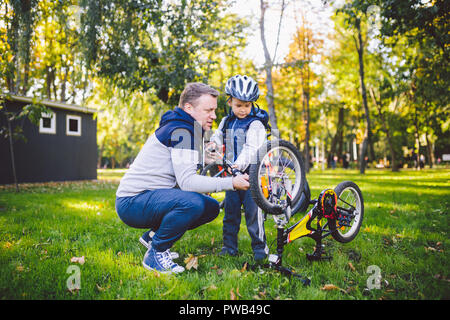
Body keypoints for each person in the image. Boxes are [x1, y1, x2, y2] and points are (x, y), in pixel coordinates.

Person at [115, 82, 250, 274]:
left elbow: (178, 166)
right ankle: (157, 252)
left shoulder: (185, 128)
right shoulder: (183, 130)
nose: (213, 115)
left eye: (214, 110)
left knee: (210, 207)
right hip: (132, 201)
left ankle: (153, 236)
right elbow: (187, 182)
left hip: (147, 197)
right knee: (193, 203)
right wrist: (231, 183)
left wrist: (203, 158)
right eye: (208, 110)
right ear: (189, 108)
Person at [207, 75, 269, 261]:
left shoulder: (255, 124)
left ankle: (260, 250)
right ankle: (229, 246)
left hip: (252, 178)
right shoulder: (227, 121)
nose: (242, 110)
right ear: (230, 102)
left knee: (253, 215)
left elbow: (251, 149)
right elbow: (218, 136)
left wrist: (238, 165)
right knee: (230, 214)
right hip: (233, 178)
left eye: (247, 105)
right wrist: (212, 144)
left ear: (252, 104)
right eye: (238, 105)